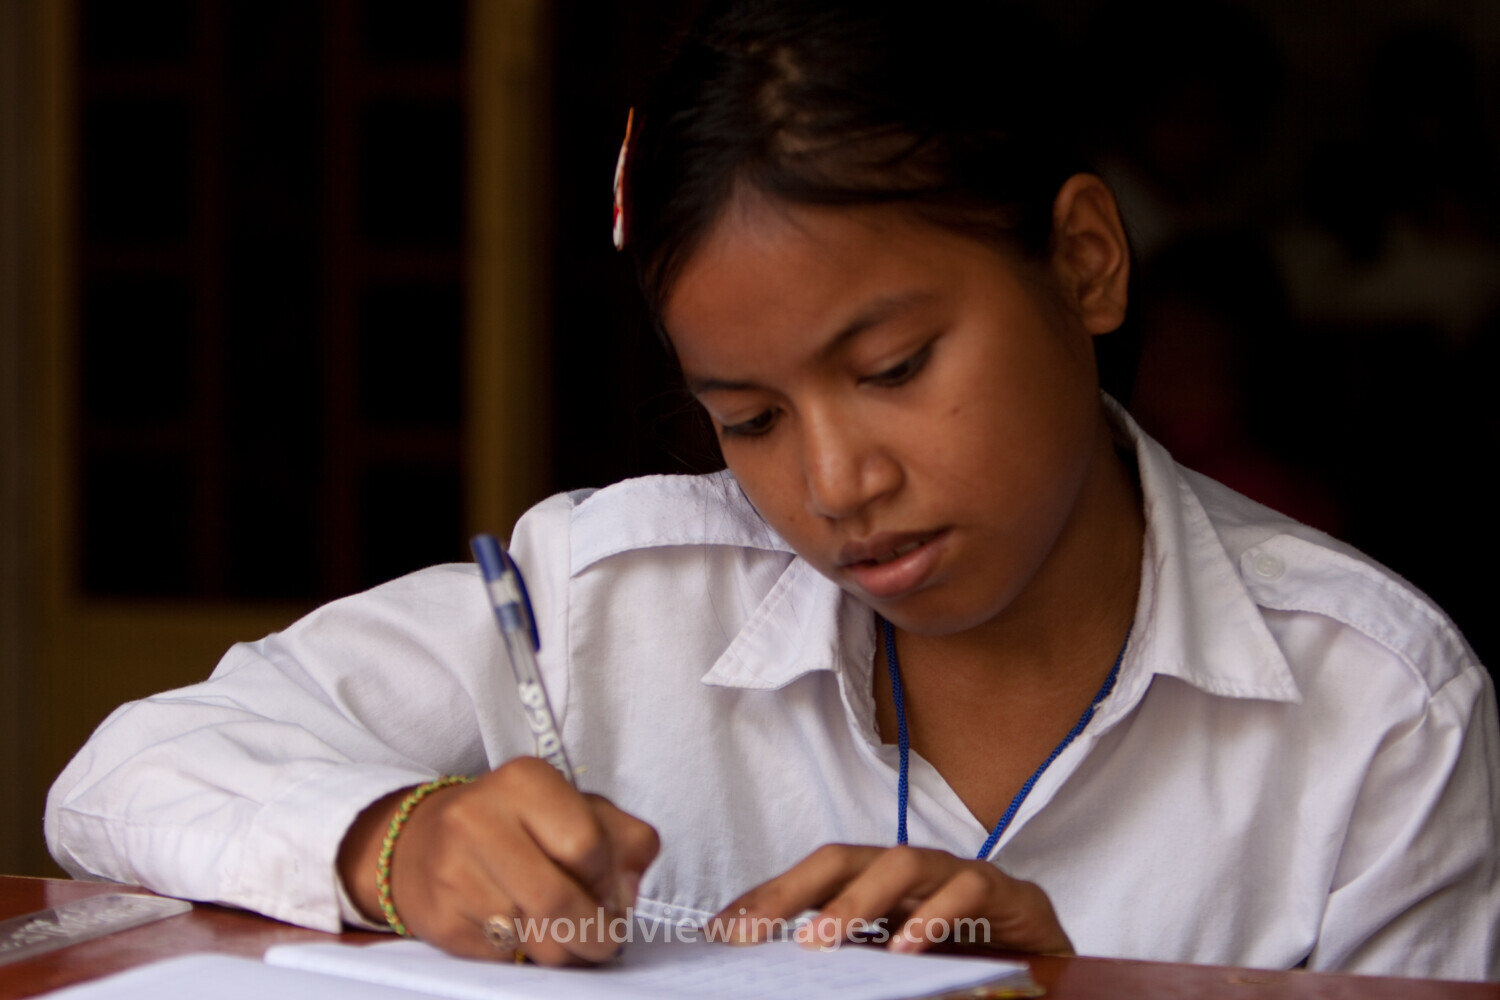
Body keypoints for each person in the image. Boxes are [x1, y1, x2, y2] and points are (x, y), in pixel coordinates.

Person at [46, 0, 1499, 980]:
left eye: (896, 364)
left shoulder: (1373, 713)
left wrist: (1087, 995)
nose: (836, 483)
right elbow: (126, 776)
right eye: (747, 418)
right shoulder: (614, 604)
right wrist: (399, 840)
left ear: (1084, 262)